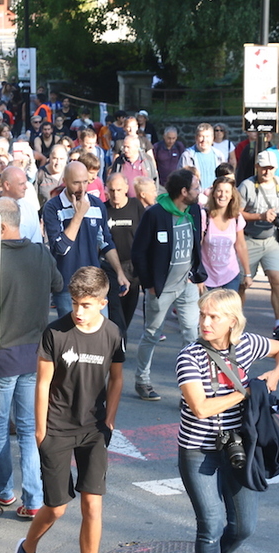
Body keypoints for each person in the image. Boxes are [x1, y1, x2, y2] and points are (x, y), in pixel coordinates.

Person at [5, 266, 124, 553]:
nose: (78, 311)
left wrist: (110, 420)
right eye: (74, 303)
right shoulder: (55, 332)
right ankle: (27, 549)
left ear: (102, 303)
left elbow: (117, 378)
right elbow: (43, 382)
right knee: (57, 506)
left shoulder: (112, 333)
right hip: (57, 426)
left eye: (86, 305)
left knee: (93, 505)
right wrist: (40, 430)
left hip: (94, 428)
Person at [176, 288, 279, 553]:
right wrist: (246, 394)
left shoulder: (246, 345)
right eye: (202, 315)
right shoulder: (189, 357)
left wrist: (275, 374)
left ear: (232, 321)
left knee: (244, 527)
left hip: (239, 448)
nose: (205, 322)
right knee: (211, 524)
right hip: (199, 450)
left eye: (213, 317)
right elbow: (200, 408)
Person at [0, 198, 62, 518]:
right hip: (35, 355)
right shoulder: (40, 253)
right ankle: (34, 498)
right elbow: (58, 284)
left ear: (1, 226)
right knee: (29, 430)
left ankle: (3, 490)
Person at [130, 169, 206, 402]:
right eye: (195, 188)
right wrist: (150, 284)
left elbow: (197, 242)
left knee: (192, 334)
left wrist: (196, 274)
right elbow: (138, 252)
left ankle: (189, 390)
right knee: (152, 334)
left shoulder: (194, 210)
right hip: (161, 288)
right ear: (183, 192)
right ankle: (142, 380)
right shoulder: (155, 214)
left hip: (187, 284)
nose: (199, 191)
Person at [41, 161, 129, 319]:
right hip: (67, 285)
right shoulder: (53, 207)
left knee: (100, 330)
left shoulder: (97, 205)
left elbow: (106, 242)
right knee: (72, 332)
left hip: (94, 284)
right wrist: (79, 215)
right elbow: (61, 248)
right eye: (76, 183)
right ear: (65, 181)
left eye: (85, 182)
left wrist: (119, 273)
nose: (81, 188)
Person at [238, 150, 279, 340]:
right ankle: (236, 322)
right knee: (243, 283)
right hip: (249, 239)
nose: (267, 172)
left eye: (271, 168)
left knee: (277, 280)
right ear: (257, 167)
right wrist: (259, 216)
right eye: (263, 168)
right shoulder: (247, 186)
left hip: (271, 239)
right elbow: (237, 213)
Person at [103, 174, 144, 336]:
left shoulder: (136, 206)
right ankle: (118, 345)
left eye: (119, 190)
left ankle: (120, 341)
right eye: (112, 190)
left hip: (132, 267)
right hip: (110, 267)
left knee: (126, 315)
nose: (115, 194)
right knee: (116, 316)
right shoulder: (104, 209)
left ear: (127, 189)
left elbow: (146, 234)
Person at [200, 176, 250, 293]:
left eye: (227, 191)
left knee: (230, 305)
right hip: (207, 276)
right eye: (219, 191)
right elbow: (197, 247)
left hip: (230, 275)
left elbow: (241, 246)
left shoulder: (237, 217)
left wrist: (247, 274)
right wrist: (197, 277)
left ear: (232, 195)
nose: (223, 195)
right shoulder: (204, 216)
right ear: (213, 193)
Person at [179, 124, 225, 194]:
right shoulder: (187, 156)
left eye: (207, 136)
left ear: (212, 138)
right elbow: (181, 180)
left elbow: (224, 178)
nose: (204, 140)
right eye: (201, 136)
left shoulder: (219, 155)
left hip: (215, 195)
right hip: (195, 196)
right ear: (196, 137)